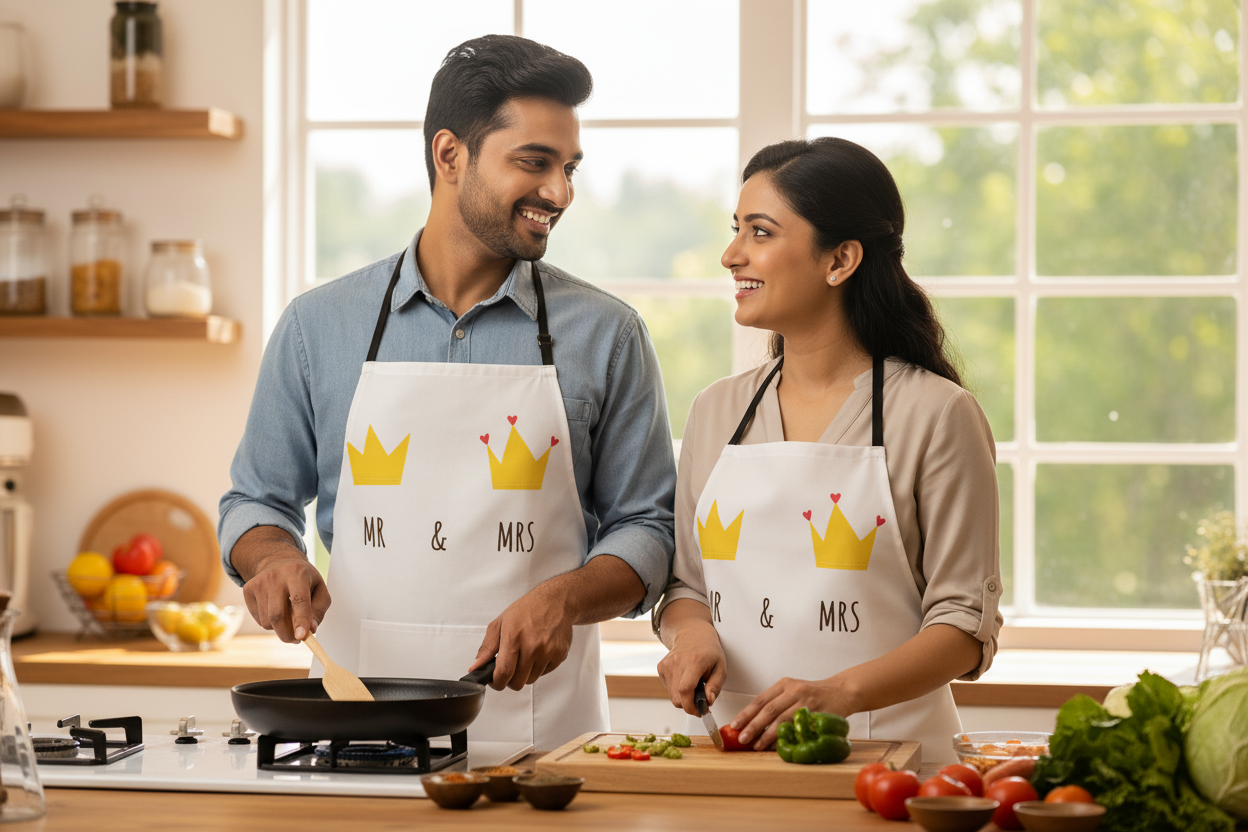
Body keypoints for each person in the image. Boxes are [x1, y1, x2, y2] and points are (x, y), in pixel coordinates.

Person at [219, 35, 676, 750]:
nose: (559, 193)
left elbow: (648, 526)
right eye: (534, 162)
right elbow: (256, 500)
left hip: (544, 742)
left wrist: (565, 596)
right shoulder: (318, 326)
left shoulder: (608, 335)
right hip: (357, 721)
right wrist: (273, 557)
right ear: (449, 155)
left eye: (569, 168)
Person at [653, 137, 1002, 764]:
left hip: (893, 765)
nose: (732, 255)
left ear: (840, 259)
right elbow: (686, 585)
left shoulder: (938, 414)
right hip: (734, 763)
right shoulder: (716, 411)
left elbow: (963, 625)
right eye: (736, 230)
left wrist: (841, 693)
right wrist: (692, 635)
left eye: (760, 233)